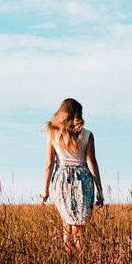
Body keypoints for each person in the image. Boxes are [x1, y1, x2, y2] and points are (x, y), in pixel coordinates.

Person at [40, 98, 104, 250]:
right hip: (83, 179)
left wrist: (45, 191)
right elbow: (92, 162)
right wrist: (100, 190)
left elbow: (49, 163)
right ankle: (80, 261)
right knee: (79, 226)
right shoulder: (87, 135)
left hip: (61, 179)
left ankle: (69, 261)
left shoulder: (53, 134)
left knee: (66, 224)